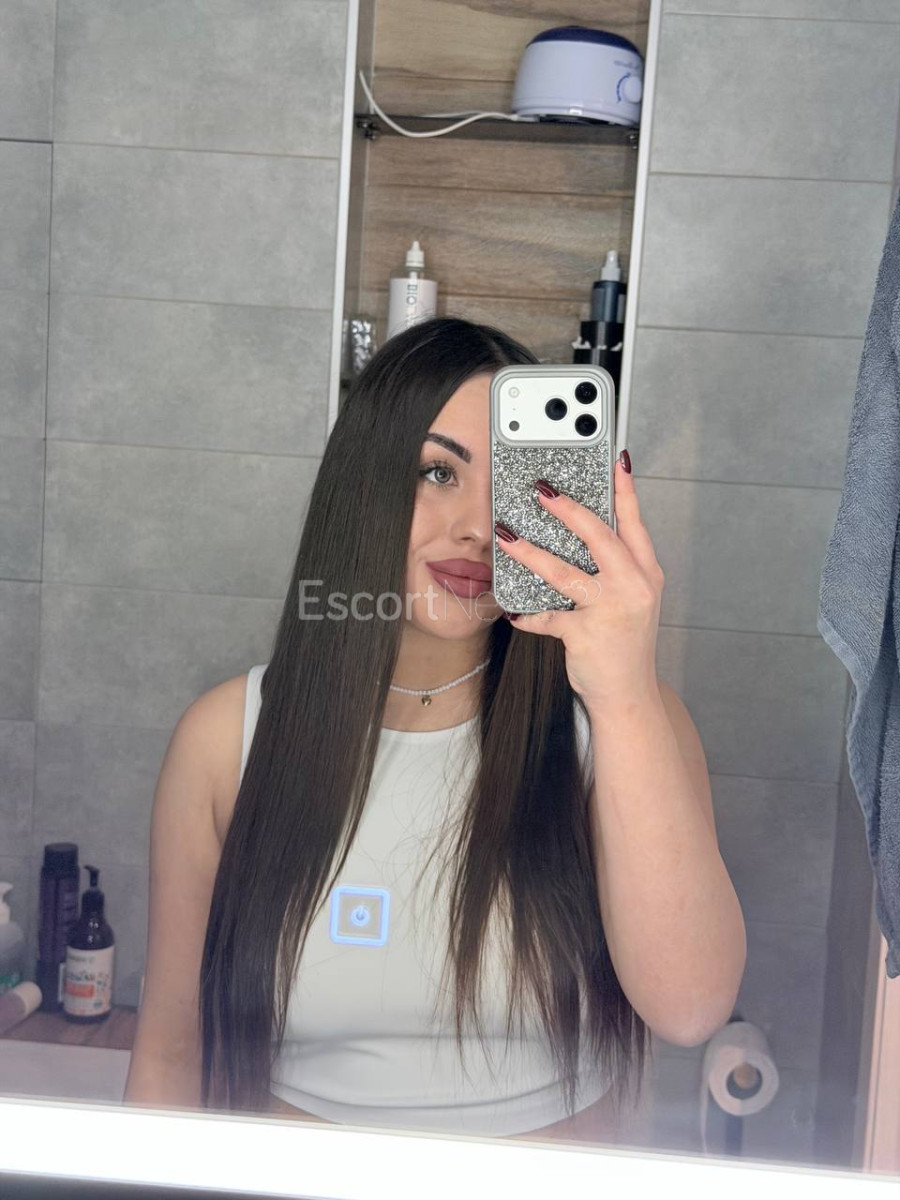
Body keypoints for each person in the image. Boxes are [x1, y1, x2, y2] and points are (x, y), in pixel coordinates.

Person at [124, 318, 746, 1143]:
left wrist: (623, 691)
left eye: (514, 482)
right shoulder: (223, 741)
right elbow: (170, 1054)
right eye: (437, 472)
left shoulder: (624, 723)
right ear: (363, 486)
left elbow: (692, 1008)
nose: (478, 526)